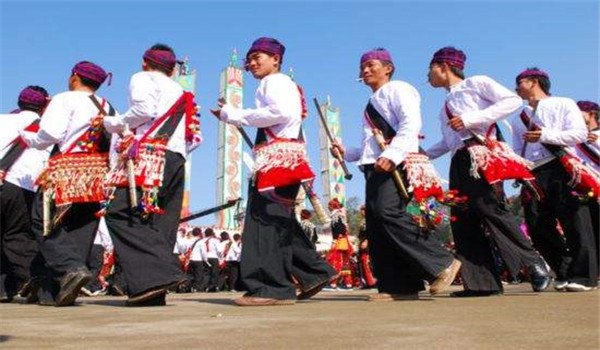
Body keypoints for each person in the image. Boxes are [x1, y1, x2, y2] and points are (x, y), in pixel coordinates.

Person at [211, 37, 335, 306]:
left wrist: (234, 114)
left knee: (263, 224)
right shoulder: (280, 84)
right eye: (250, 59)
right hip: (280, 158)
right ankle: (314, 272)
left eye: (259, 57)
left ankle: (271, 288)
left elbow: (278, 112)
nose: (253, 63)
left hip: (277, 161)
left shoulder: (275, 82)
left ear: (276, 59)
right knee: (279, 221)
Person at [331, 48, 462, 301]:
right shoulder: (372, 103)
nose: (365, 70)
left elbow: (410, 125)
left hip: (395, 162)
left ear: (388, 68)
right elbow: (370, 147)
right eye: (362, 67)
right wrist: (347, 152)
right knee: (378, 226)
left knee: (388, 213)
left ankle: (442, 262)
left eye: (371, 65)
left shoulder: (399, 88)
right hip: (377, 165)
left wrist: (392, 156)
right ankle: (399, 285)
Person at [424, 47, 552, 297]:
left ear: (443, 66)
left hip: (479, 155)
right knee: (462, 219)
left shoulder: (476, 82)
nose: (428, 76)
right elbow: (448, 142)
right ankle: (482, 283)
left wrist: (472, 119)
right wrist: (421, 155)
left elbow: (512, 101)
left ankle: (533, 262)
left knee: (489, 208)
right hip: (458, 160)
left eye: (430, 70)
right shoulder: (444, 107)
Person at [102, 43, 201, 306]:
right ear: (171, 69)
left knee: (118, 211)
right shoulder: (181, 91)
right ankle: (152, 291)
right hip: (177, 157)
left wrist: (114, 123)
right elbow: (194, 136)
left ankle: (160, 275)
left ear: (145, 62)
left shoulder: (142, 78)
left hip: (149, 155)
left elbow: (143, 111)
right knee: (163, 222)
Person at [20, 62, 115, 306]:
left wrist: (30, 138)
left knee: (43, 220)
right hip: (95, 175)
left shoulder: (65, 99)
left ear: (74, 77)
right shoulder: (106, 106)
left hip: (66, 170)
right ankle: (54, 290)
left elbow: (50, 135)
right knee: (80, 227)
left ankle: (71, 268)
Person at [513, 68, 597, 292]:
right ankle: (565, 270)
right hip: (532, 172)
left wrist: (545, 136)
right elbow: (516, 147)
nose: (516, 87)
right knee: (536, 224)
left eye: (519, 82)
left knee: (575, 221)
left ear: (533, 82)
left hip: (561, 166)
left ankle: (585, 277)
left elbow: (578, 134)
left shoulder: (564, 103)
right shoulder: (518, 116)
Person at [0, 86, 50, 302]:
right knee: (18, 236)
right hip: (24, 187)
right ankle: (31, 279)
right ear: (44, 105)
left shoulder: (2, 120)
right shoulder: (45, 128)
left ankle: (3, 289)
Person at [575, 100, 599, 277]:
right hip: (587, 191)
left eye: (579, 112)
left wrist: (596, 142)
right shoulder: (576, 140)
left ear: (591, 114)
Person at [324, 199, 355, 290]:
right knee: (345, 262)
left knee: (335, 261)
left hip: (339, 240)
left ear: (332, 206)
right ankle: (348, 283)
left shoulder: (335, 215)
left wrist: (335, 240)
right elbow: (343, 228)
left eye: (329, 205)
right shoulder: (341, 214)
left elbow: (339, 228)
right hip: (344, 241)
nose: (328, 207)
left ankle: (333, 284)